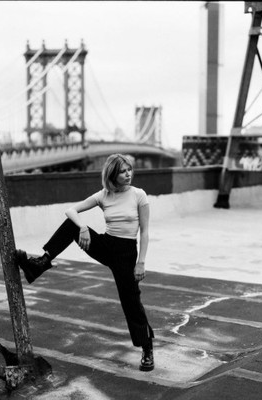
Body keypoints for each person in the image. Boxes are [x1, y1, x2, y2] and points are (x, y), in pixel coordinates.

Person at [15, 153, 155, 371]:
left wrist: (141, 262)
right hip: (106, 245)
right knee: (71, 224)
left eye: (129, 170)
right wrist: (82, 227)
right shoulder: (104, 195)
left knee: (131, 302)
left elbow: (145, 232)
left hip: (127, 253)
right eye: (122, 171)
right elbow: (71, 210)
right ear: (112, 174)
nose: (128, 174)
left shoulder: (139, 195)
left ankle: (146, 347)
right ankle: (40, 263)